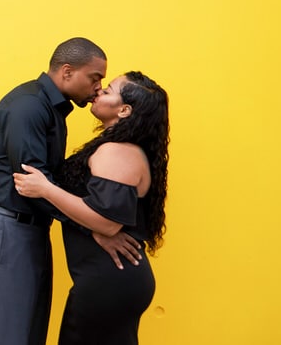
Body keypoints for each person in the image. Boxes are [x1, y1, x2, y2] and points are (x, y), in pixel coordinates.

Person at [0, 38, 141, 345]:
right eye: (95, 78)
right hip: (9, 228)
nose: (98, 88)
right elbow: (32, 185)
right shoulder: (27, 107)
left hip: (30, 230)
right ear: (66, 71)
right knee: (8, 337)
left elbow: (48, 186)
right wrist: (95, 228)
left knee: (30, 334)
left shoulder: (52, 110)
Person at [13, 71, 170, 345]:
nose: (98, 92)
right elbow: (103, 219)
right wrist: (93, 228)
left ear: (124, 110)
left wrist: (46, 189)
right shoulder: (117, 148)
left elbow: (108, 222)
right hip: (110, 282)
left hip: (109, 282)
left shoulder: (117, 152)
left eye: (108, 90)